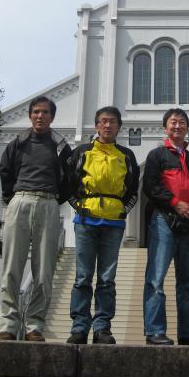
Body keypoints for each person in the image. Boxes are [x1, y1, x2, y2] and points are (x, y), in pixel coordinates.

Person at [0, 95, 72, 342]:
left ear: (52, 117)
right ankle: (8, 325)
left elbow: (70, 179)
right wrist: (13, 198)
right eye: (36, 112)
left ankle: (34, 326)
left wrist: (55, 200)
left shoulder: (61, 146)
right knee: (11, 268)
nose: (40, 116)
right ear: (30, 115)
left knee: (44, 271)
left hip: (49, 203)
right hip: (20, 200)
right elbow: (5, 172)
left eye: (45, 112)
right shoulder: (17, 143)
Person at [67, 106, 139, 345]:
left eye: (112, 122)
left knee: (107, 279)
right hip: (86, 220)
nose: (108, 125)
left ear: (119, 127)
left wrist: (122, 210)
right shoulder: (82, 152)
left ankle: (102, 327)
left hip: (113, 222)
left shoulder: (126, 155)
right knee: (83, 276)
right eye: (103, 121)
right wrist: (79, 207)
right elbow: (69, 183)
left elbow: (133, 189)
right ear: (97, 125)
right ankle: (79, 327)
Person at [143, 108, 189, 346]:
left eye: (182, 122)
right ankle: (155, 331)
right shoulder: (157, 156)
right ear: (165, 128)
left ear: (187, 128)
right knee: (156, 278)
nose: (177, 126)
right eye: (173, 122)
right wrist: (176, 203)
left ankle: (188, 333)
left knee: (188, 281)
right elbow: (151, 187)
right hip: (164, 220)